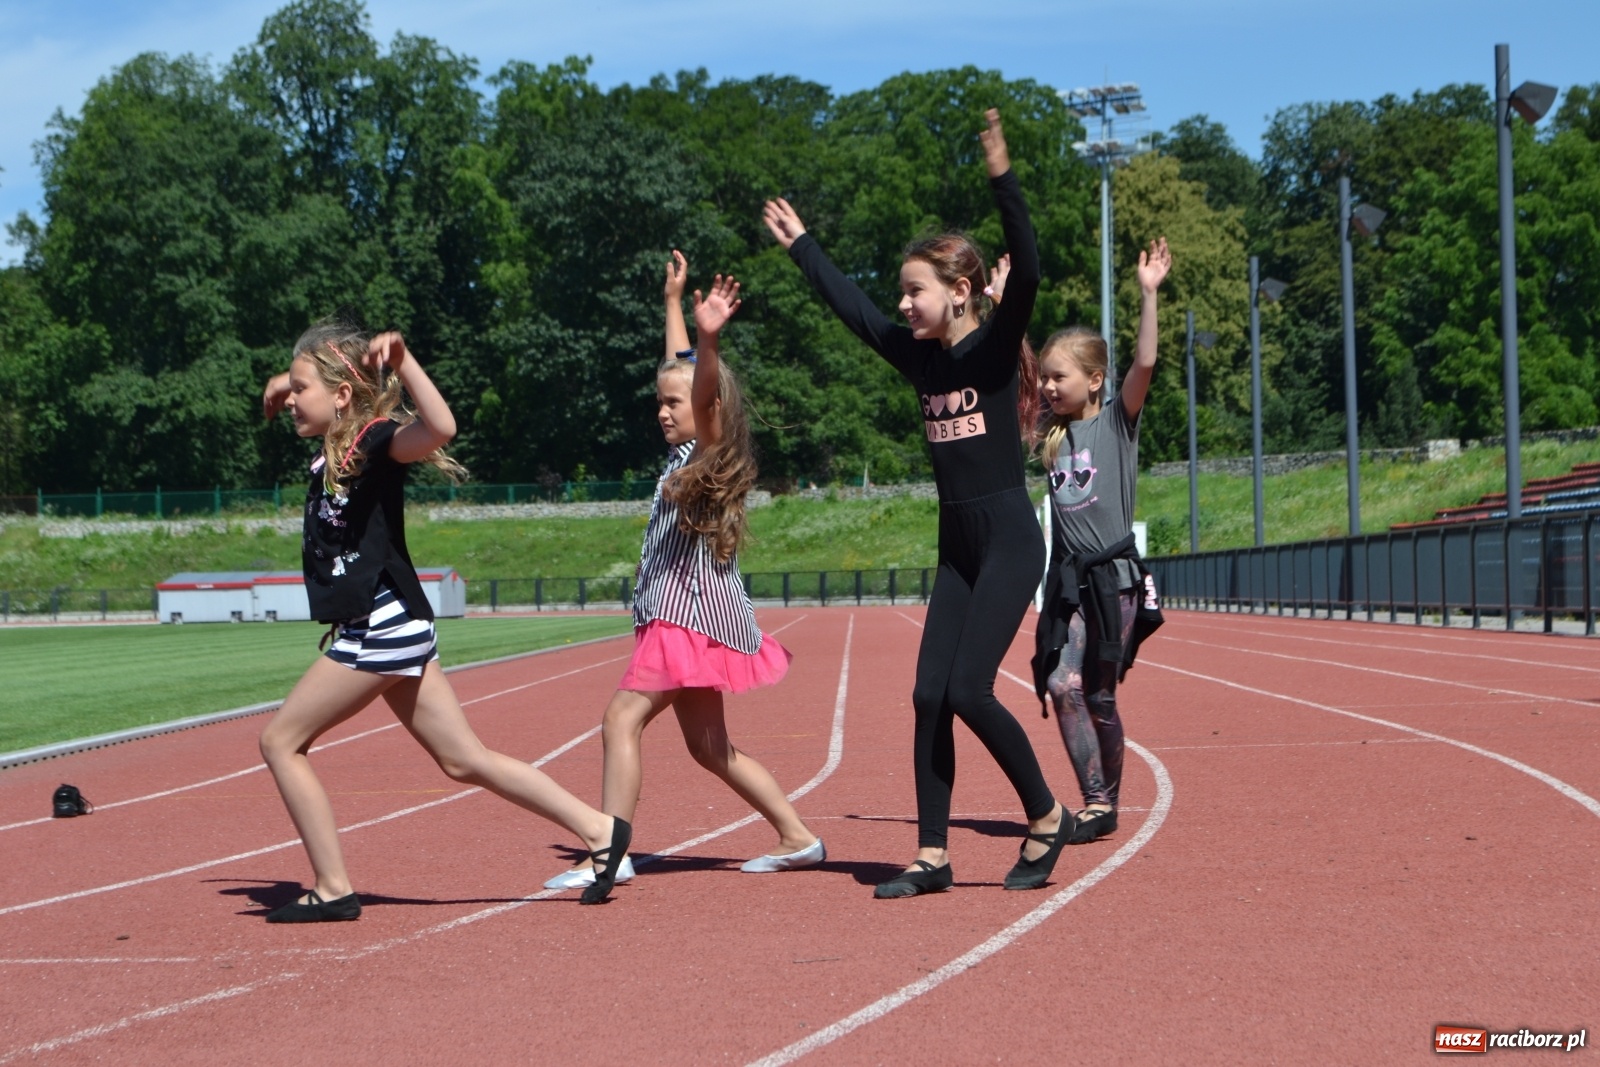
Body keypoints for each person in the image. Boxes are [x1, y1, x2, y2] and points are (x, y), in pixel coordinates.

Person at [764, 109, 1070, 897]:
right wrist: (803, 246)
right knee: (928, 692)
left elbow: (1029, 271)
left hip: (1006, 536)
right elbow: (851, 309)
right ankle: (932, 854)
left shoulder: (994, 350)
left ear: (961, 291)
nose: (901, 304)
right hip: (956, 544)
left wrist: (1003, 176)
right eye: (901, 292)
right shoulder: (918, 360)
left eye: (915, 291)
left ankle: (1045, 813)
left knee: (969, 688)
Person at [258, 324, 631, 919]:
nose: (290, 403)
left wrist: (404, 362)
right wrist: (289, 381)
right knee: (463, 760)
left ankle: (332, 887)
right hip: (394, 624)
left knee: (281, 741)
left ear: (342, 397)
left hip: (381, 629)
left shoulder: (376, 443)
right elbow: (316, 391)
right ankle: (600, 829)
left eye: (303, 390)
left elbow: (442, 429)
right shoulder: (333, 445)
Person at [542, 256, 823, 892]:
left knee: (619, 721)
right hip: (691, 618)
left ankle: (608, 853)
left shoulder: (711, 451)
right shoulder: (683, 449)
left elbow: (698, 384)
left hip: (684, 618)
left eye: (674, 404)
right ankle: (798, 837)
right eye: (658, 403)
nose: (664, 412)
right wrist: (672, 303)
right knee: (708, 748)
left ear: (707, 406)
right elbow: (681, 370)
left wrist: (710, 337)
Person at [1027, 238, 1171, 845]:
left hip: (1115, 583)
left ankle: (1106, 803)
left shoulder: (1116, 422)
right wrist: (1007, 309)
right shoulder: (1050, 435)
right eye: (1045, 379)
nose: (1048, 387)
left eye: (1059, 378)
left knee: (1102, 698)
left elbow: (1144, 365)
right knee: (1062, 683)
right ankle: (1094, 799)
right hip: (1071, 583)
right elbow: (1014, 380)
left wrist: (1147, 294)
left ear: (1094, 379)